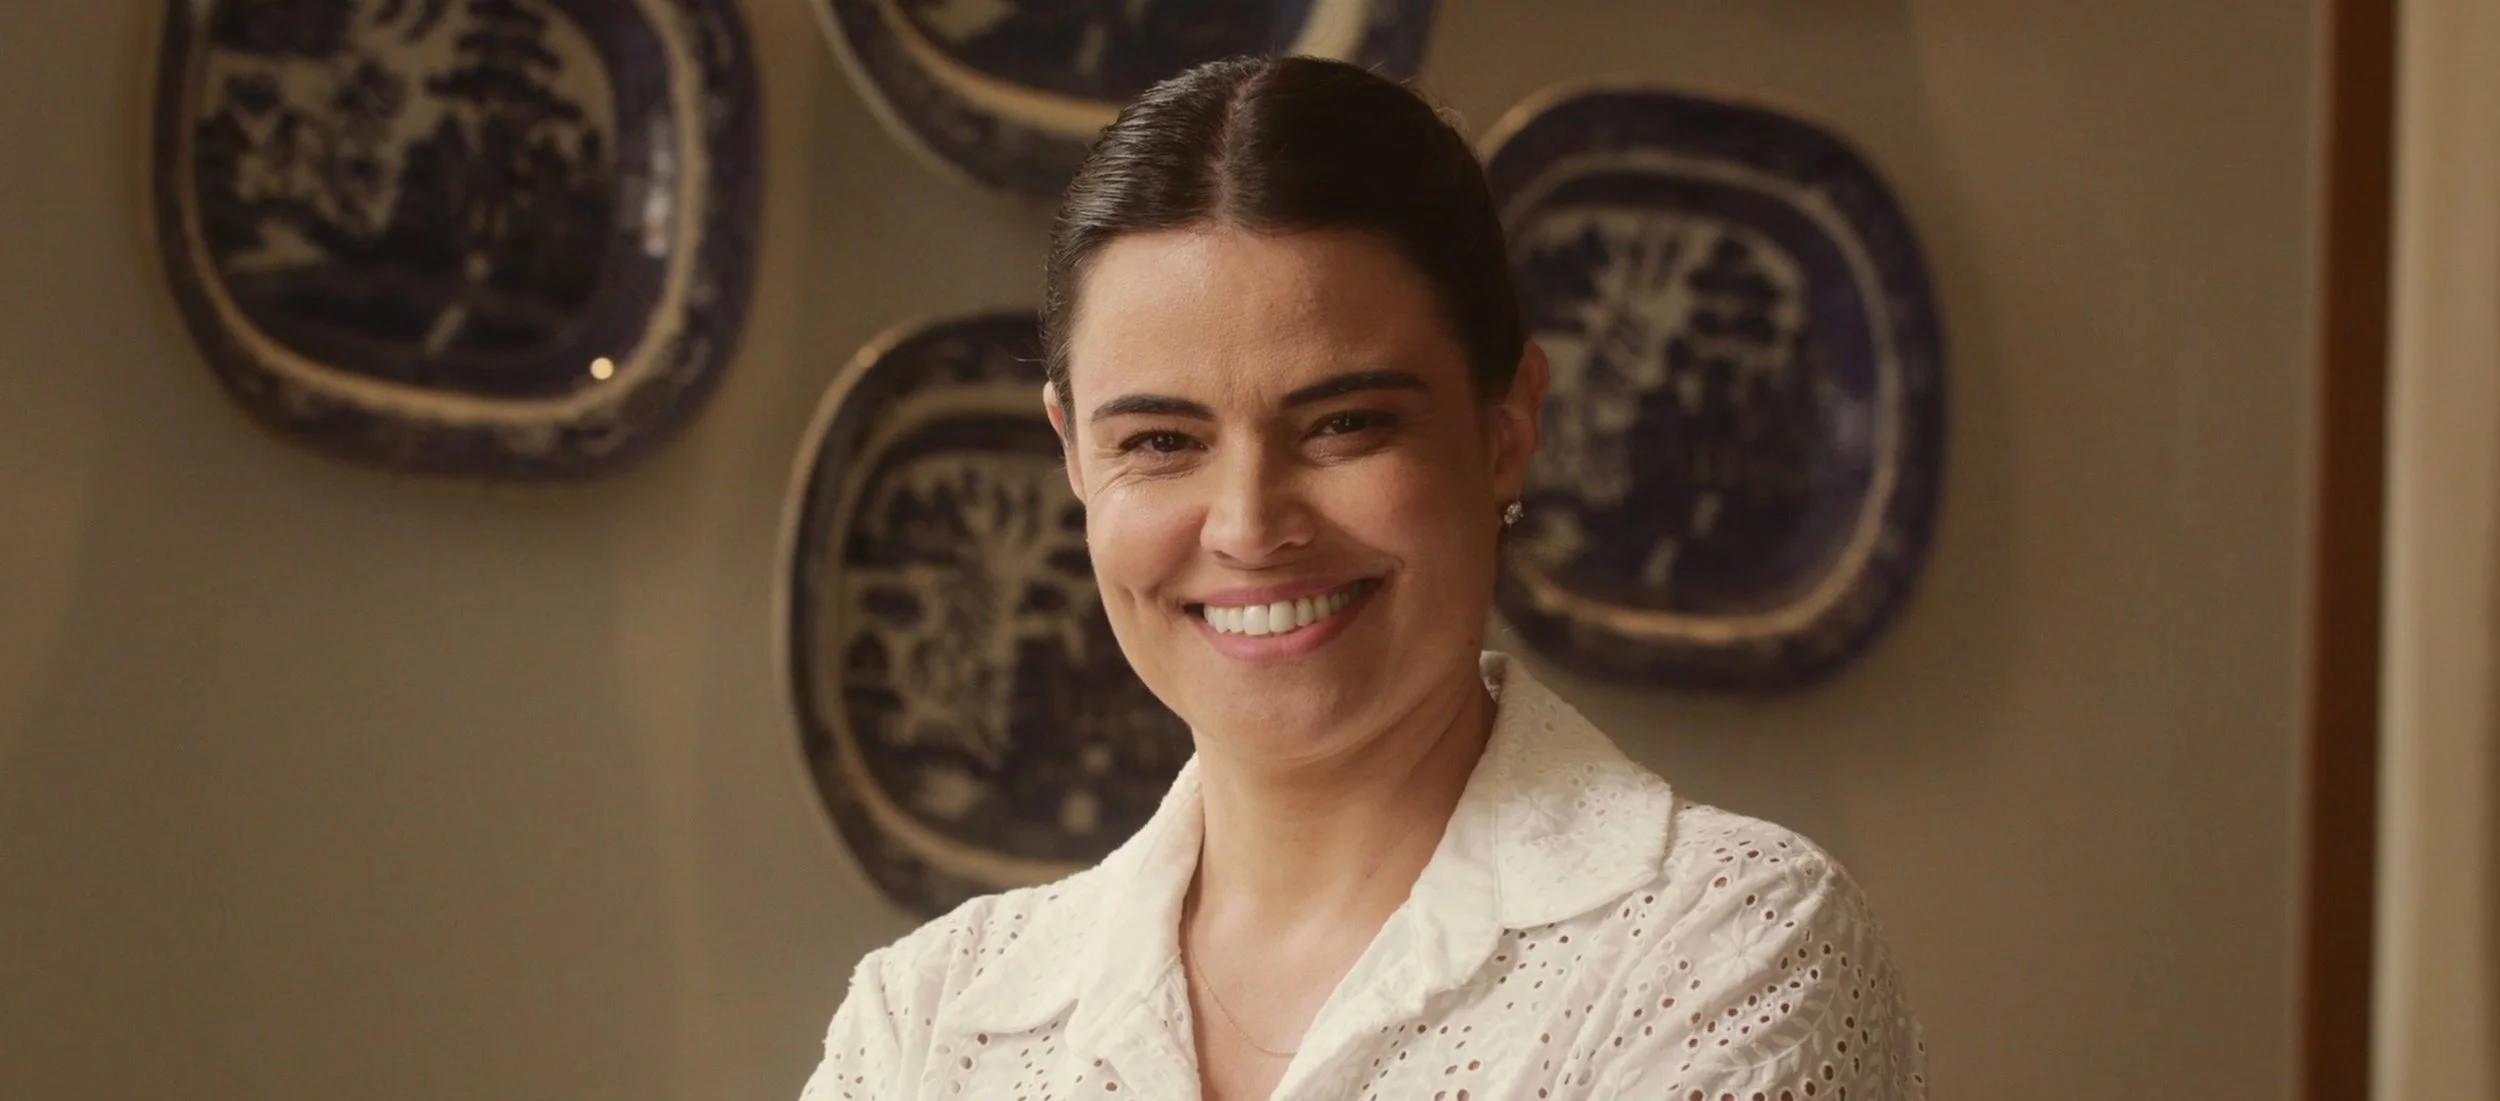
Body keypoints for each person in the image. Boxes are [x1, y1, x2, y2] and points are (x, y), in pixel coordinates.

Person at [798, 55, 1926, 1101]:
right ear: (1072, 456)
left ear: (1506, 425)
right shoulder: (925, 1019)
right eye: (1157, 442)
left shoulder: (1730, 942)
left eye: (1344, 425)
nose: (1248, 526)